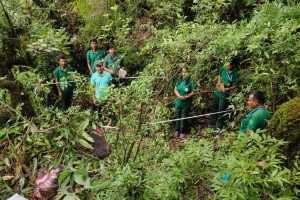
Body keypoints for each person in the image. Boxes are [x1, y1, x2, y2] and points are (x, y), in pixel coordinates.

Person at [210, 62, 238, 129]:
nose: (227, 66)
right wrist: (218, 84)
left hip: (225, 94)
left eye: (228, 65)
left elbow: (235, 85)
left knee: (221, 110)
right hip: (217, 92)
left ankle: (218, 127)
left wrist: (228, 88)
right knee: (215, 108)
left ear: (232, 65)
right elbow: (219, 76)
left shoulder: (235, 73)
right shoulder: (223, 68)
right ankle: (212, 123)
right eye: (226, 65)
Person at [174, 67, 196, 139]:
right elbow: (175, 89)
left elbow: (193, 92)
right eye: (183, 72)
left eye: (185, 72)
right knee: (178, 116)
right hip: (178, 101)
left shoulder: (191, 81)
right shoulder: (179, 80)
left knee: (183, 117)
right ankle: (177, 131)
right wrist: (179, 96)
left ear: (188, 72)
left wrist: (185, 97)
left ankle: (182, 132)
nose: (184, 73)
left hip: (186, 103)